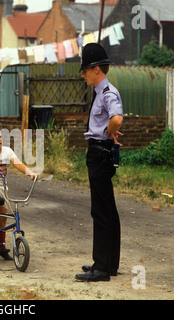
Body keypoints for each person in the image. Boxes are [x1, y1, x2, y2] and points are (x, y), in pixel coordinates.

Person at [75, 43, 124, 282]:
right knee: (109, 210)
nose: (83, 74)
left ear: (96, 69)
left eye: (85, 69)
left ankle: (101, 267)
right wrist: (109, 132)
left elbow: (117, 118)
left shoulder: (107, 93)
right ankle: (110, 264)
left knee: (101, 211)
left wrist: (108, 131)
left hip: (100, 153)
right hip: (102, 152)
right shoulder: (100, 93)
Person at [0, 126, 36, 260]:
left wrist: (30, 173)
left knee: (3, 215)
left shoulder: (7, 151)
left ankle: (0, 246)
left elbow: (18, 164)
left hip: (1, 186)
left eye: (0, 136)